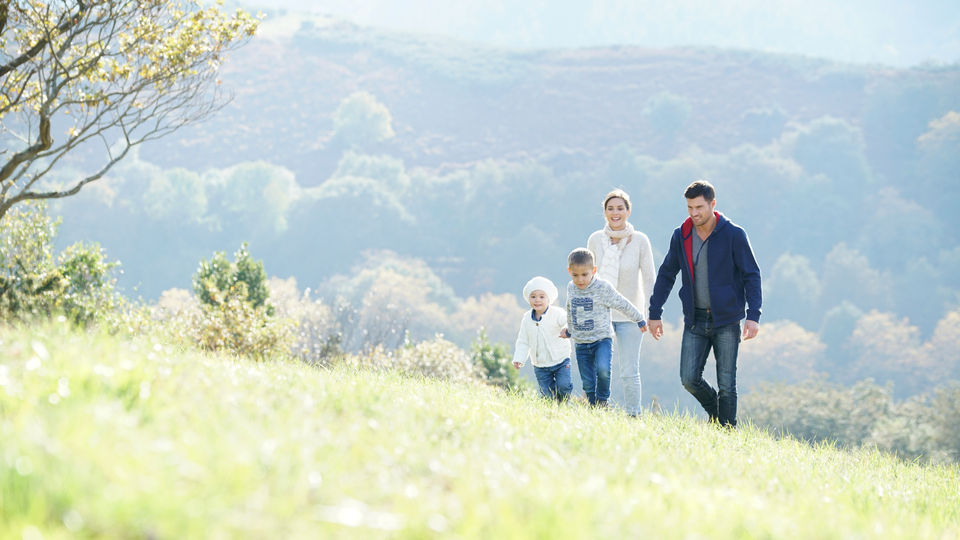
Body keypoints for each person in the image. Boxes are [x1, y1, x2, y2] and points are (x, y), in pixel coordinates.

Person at [647, 180, 762, 427]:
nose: (694, 213)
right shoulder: (682, 235)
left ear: (713, 204)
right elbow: (667, 274)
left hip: (726, 320)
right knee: (689, 378)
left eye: (699, 207)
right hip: (695, 319)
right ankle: (717, 413)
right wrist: (654, 312)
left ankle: (727, 432)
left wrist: (753, 315)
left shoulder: (733, 234)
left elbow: (751, 274)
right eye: (689, 207)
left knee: (727, 384)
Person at [587, 189, 657, 416]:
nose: (615, 213)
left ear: (628, 211)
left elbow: (649, 279)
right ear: (604, 212)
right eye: (610, 208)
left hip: (630, 315)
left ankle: (633, 414)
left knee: (629, 371)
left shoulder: (639, 241)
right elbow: (587, 278)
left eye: (620, 208)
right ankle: (598, 409)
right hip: (601, 314)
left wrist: (650, 314)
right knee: (601, 369)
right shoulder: (596, 239)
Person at [563, 248, 647, 407]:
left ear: (593, 270)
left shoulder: (602, 288)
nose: (580, 280)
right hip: (581, 342)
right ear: (569, 272)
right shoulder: (571, 288)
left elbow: (621, 303)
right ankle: (593, 406)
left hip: (602, 340)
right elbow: (570, 309)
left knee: (603, 370)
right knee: (587, 381)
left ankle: (603, 401)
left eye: (584, 275)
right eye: (575, 275)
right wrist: (569, 330)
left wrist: (639, 318)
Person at [512, 276, 573, 402]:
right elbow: (523, 341)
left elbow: (567, 320)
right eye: (533, 296)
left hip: (561, 359)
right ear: (528, 298)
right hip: (540, 364)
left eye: (541, 296)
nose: (537, 300)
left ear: (549, 298)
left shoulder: (557, 313)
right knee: (547, 394)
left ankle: (563, 404)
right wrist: (519, 358)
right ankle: (552, 409)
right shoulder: (527, 319)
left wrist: (567, 329)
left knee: (564, 385)